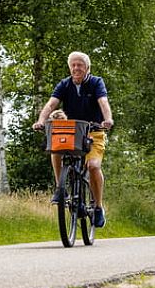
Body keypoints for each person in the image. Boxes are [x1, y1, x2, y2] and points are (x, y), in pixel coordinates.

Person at [33, 51, 114, 228]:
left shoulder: (96, 82)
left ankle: (98, 207)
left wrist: (107, 119)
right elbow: (51, 104)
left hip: (93, 131)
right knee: (54, 145)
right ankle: (59, 189)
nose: (76, 68)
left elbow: (103, 102)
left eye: (80, 65)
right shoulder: (64, 84)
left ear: (87, 68)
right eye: (73, 65)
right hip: (71, 131)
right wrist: (41, 121)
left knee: (93, 166)